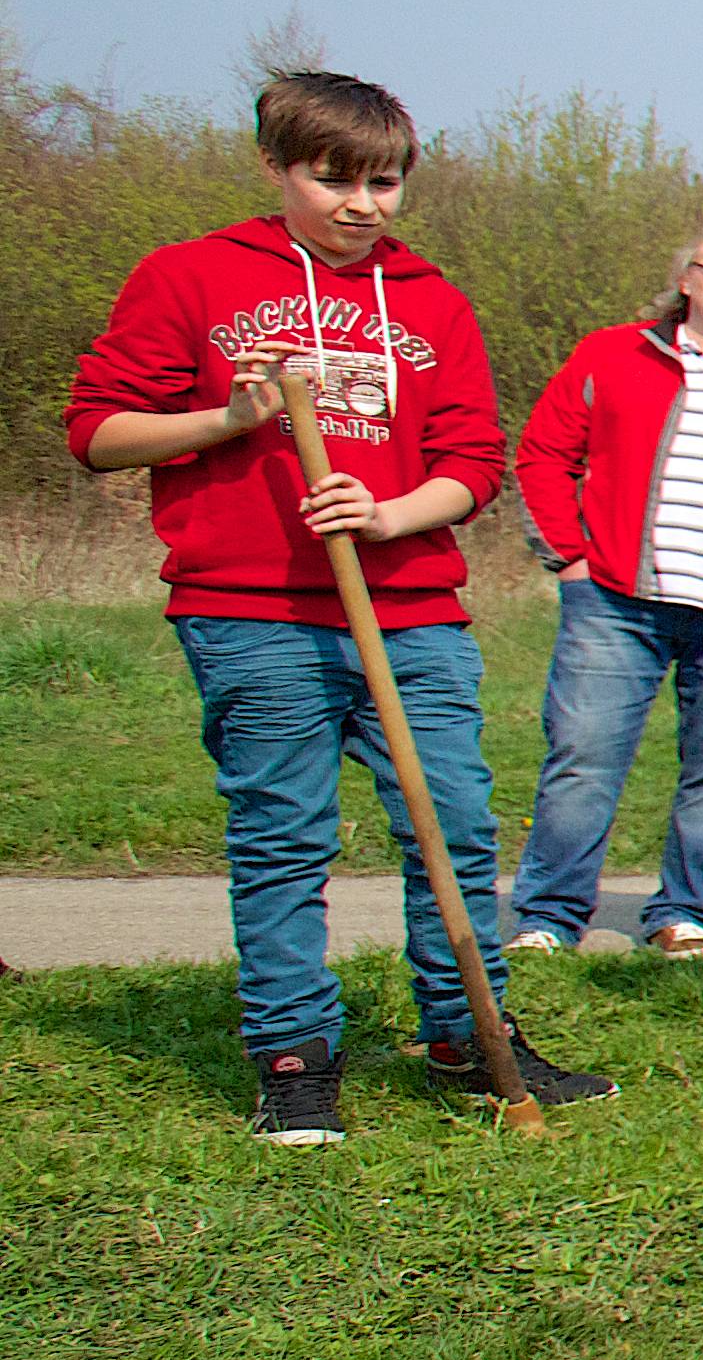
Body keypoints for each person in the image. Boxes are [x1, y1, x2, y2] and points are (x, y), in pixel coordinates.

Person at [64, 67, 609, 1138]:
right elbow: (96, 431)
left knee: (452, 825)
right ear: (275, 166)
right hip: (251, 608)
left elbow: (472, 461)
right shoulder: (191, 278)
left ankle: (469, 1033)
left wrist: (393, 511)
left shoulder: (431, 301)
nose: (364, 204)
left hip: (411, 611)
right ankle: (296, 1052)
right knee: (284, 832)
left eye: (387, 181)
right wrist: (228, 415)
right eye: (335, 179)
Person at [506, 229, 703, 962]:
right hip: (617, 598)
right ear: (687, 279)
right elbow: (543, 453)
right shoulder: (614, 353)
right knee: (584, 756)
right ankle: (548, 916)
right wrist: (568, 557)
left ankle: (684, 912)